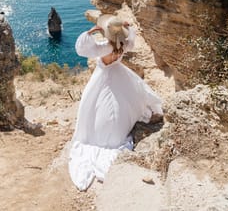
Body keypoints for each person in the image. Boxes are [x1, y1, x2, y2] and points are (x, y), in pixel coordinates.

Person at [68, 14, 164, 191]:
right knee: (126, 102)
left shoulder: (103, 48)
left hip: (103, 79)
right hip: (120, 75)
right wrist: (126, 27)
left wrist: (90, 32)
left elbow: (81, 49)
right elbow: (132, 39)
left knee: (95, 108)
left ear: (106, 34)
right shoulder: (123, 46)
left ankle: (102, 135)